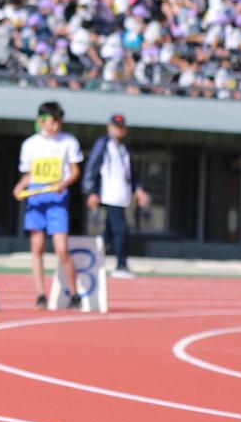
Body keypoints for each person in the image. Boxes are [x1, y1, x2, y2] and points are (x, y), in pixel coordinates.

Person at [18, 100, 83, 309]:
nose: (56, 125)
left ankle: (75, 295)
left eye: (59, 121)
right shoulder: (29, 145)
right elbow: (28, 176)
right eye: (52, 121)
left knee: (61, 248)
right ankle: (40, 295)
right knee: (37, 248)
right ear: (42, 121)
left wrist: (63, 184)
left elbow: (75, 171)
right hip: (36, 198)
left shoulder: (68, 141)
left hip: (57, 198)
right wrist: (19, 187)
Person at [82, 112, 148, 278]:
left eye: (121, 127)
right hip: (109, 196)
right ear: (109, 127)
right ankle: (121, 265)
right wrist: (91, 192)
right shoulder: (103, 144)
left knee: (110, 234)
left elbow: (131, 175)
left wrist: (138, 190)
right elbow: (92, 167)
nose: (119, 130)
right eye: (116, 126)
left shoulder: (124, 148)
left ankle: (89, 259)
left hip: (123, 197)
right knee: (121, 230)